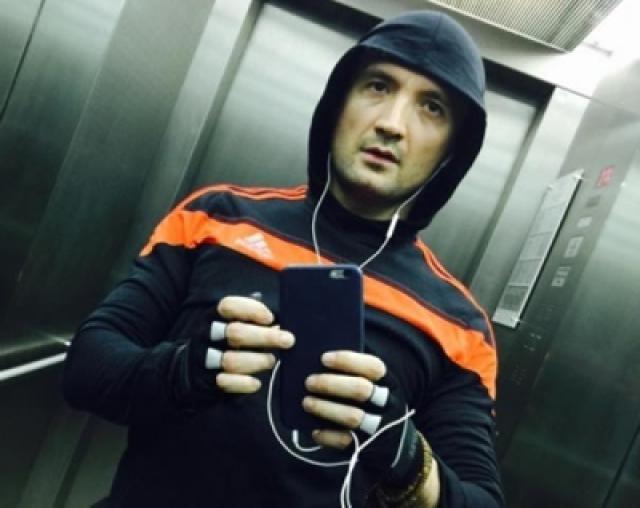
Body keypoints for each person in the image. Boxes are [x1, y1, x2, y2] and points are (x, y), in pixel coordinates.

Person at [63, 10, 504, 508]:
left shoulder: (460, 327)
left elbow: (481, 500)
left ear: (451, 152)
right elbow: (86, 366)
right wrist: (184, 370)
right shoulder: (215, 218)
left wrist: (405, 457)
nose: (391, 124)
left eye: (432, 108)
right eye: (378, 86)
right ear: (337, 103)